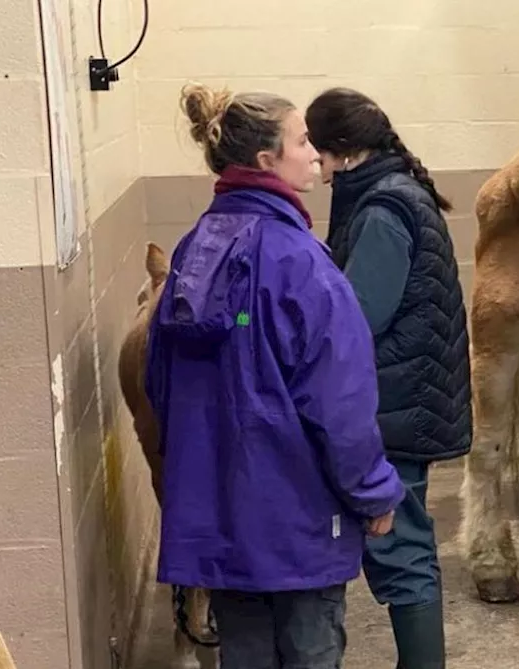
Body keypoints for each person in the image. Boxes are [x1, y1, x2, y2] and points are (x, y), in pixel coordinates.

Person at [145, 83, 405, 669]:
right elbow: (339, 403)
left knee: (246, 654)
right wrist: (372, 492)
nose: (316, 153)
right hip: (298, 520)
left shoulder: (193, 253)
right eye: (302, 140)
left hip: (221, 516)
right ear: (268, 161)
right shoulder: (300, 263)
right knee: (311, 651)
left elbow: (161, 382)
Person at [304, 87, 472, 669]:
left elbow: (357, 316)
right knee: (403, 545)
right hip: (405, 398)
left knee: (401, 550)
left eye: (318, 153)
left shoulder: (381, 210)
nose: (316, 169)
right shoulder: (389, 192)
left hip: (393, 407)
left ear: (345, 152)